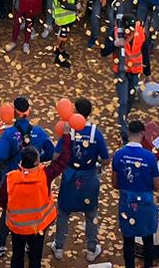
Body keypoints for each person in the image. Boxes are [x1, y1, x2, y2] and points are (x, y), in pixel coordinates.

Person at [0, 135, 73, 268]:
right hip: (38, 227)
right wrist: (67, 137)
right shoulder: (44, 175)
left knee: (17, 255)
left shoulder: (11, 178)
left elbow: (1, 201)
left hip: (17, 228)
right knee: (35, 258)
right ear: (35, 163)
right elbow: (63, 161)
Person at [52, 97, 107, 263]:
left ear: (75, 111)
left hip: (70, 176)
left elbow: (56, 155)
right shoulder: (95, 133)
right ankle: (91, 250)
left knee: (63, 212)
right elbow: (105, 159)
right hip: (89, 178)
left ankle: (59, 247)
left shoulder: (69, 131)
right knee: (90, 214)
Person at [112, 118, 159, 268]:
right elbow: (156, 186)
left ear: (128, 133)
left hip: (126, 203)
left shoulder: (119, 155)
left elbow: (115, 184)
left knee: (128, 239)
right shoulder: (150, 157)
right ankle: (148, 265)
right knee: (148, 237)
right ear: (142, 134)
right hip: (146, 203)